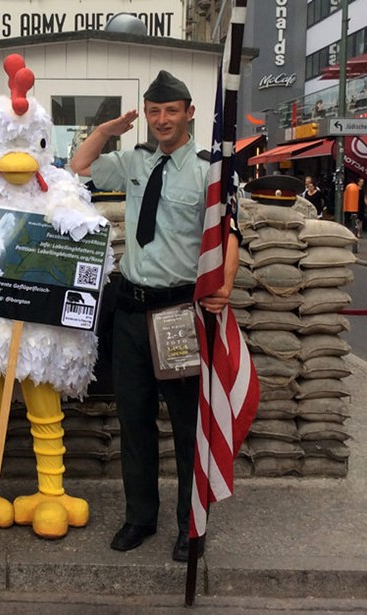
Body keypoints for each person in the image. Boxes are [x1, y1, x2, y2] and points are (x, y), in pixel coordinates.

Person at [68, 70, 241, 563]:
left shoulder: (211, 169)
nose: (162, 119)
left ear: (189, 112)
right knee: (134, 419)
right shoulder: (135, 160)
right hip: (130, 310)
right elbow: (79, 166)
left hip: (178, 312)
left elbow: (231, 232)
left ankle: (192, 524)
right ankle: (140, 517)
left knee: (188, 425)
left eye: (171, 110)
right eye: (154, 111)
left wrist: (225, 286)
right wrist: (106, 131)